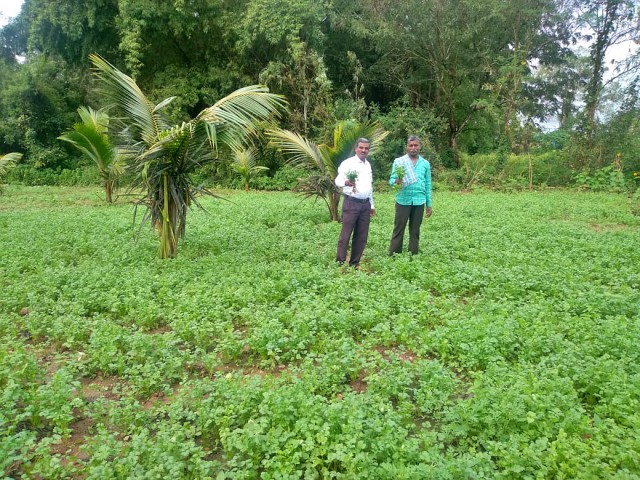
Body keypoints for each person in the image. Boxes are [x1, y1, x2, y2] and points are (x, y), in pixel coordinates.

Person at [388, 135, 432, 255]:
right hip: (403, 200)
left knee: (415, 230)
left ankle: (413, 254)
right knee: (399, 229)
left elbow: (428, 184)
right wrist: (396, 181)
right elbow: (391, 180)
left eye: (416, 145)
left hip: (419, 201)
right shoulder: (399, 162)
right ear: (407, 147)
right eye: (410, 145)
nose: (413, 148)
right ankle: (394, 254)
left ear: (420, 147)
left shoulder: (425, 164)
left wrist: (429, 204)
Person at [335, 138, 375, 268]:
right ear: (355, 148)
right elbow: (338, 180)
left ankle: (354, 262)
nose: (364, 150)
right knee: (346, 234)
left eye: (366, 148)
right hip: (351, 203)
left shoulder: (368, 165)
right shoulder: (348, 163)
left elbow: (369, 186)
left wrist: (372, 204)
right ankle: (340, 262)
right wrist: (346, 182)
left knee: (362, 236)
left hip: (365, 205)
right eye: (361, 147)